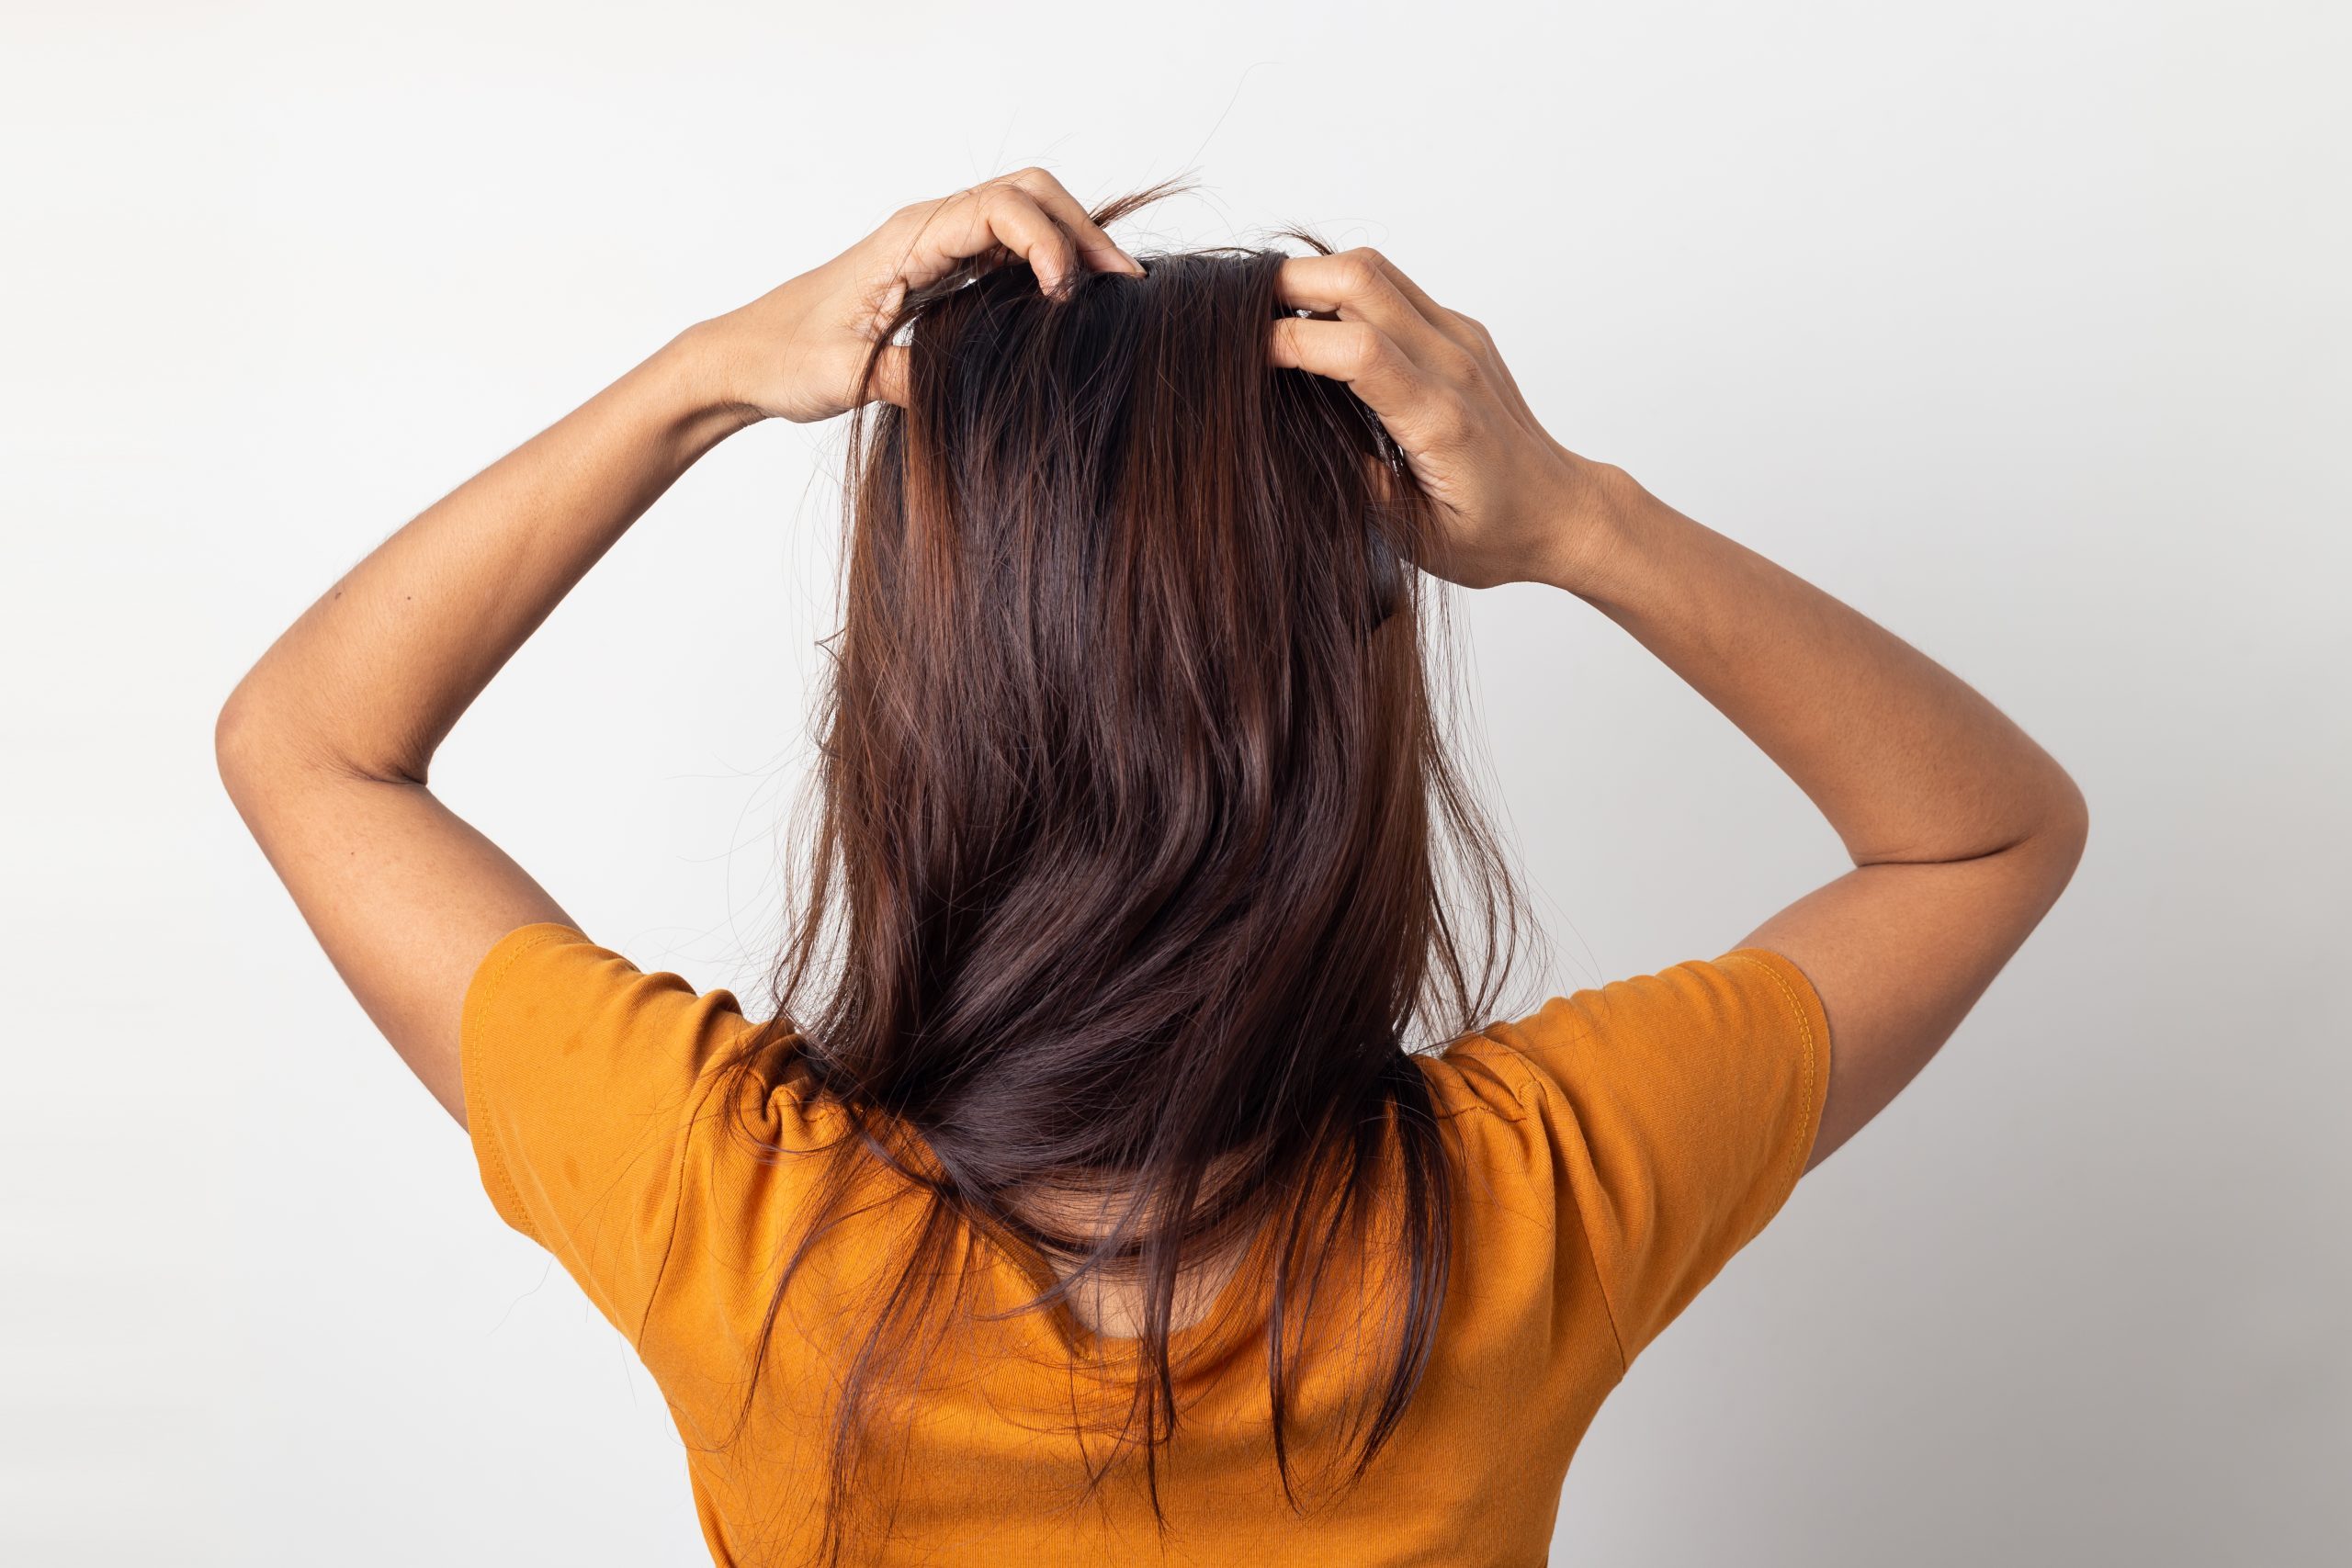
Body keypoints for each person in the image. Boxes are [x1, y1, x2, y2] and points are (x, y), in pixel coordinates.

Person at [215, 169, 2089, 1565]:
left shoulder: (733, 1209)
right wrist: (1573, 517)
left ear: (915, 692)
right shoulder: (1519, 1209)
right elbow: (1982, 826)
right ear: (1337, 706)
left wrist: (708, 379)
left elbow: (309, 742)